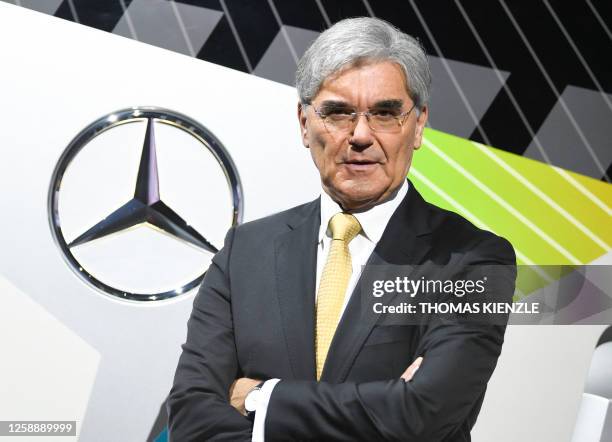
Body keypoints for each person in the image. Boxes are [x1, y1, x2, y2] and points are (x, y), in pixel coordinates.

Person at [167, 17, 516, 442]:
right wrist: (382, 403)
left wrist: (261, 398)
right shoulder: (245, 250)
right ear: (303, 123)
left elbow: (423, 413)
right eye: (338, 112)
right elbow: (190, 417)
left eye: (386, 113)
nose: (361, 135)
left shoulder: (473, 259)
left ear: (419, 124)